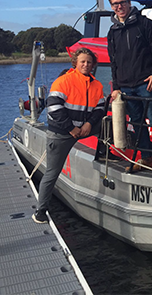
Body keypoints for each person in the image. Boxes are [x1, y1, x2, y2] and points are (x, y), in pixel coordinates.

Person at [33, 48, 105, 223]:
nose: (86, 65)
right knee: (52, 172)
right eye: (82, 62)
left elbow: (100, 108)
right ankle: (40, 211)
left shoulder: (97, 85)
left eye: (89, 62)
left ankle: (105, 154)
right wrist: (71, 128)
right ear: (75, 63)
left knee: (106, 125)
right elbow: (54, 107)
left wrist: (88, 124)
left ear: (93, 64)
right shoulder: (64, 81)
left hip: (84, 129)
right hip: (61, 133)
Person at [106, 0, 152, 176]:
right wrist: (116, 87)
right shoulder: (112, 32)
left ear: (129, 2)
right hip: (126, 85)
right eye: (115, 4)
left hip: (146, 82)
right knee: (136, 123)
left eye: (122, 2)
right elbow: (114, 62)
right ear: (112, 6)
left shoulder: (145, 24)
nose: (119, 6)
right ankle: (147, 157)